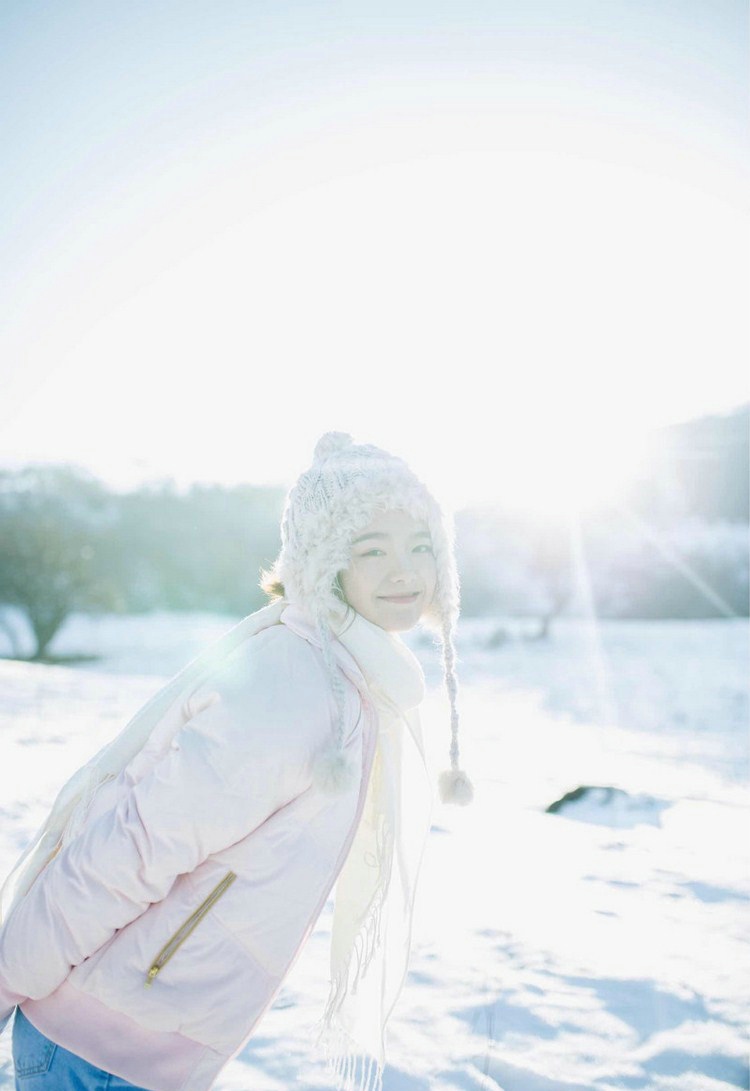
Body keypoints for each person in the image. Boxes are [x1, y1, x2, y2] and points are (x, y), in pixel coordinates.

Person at [0, 431, 473, 1091]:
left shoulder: (351, 677)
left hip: (134, 1048)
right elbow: (133, 845)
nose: (405, 571)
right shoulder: (294, 682)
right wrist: (7, 975)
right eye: (373, 549)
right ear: (326, 561)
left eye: (420, 545)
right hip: (97, 1050)